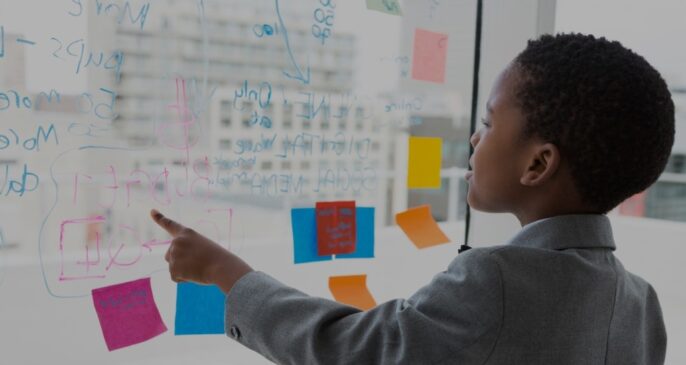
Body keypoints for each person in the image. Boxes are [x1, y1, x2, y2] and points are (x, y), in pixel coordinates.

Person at [151, 33, 672, 364]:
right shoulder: (640, 304)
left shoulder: (497, 280)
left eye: (489, 122)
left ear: (538, 164)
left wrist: (227, 273)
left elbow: (351, 350)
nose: (473, 138)